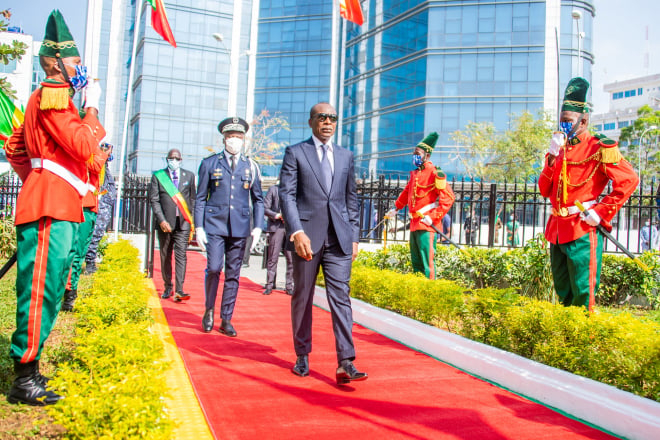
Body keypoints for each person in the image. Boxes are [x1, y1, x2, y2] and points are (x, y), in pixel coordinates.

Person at [4, 10, 107, 405]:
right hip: (49, 204)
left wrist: (37, 174)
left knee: (46, 286)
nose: (82, 70)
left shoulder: (50, 99)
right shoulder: (54, 95)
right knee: (40, 290)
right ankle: (23, 377)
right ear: (56, 63)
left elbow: (15, 148)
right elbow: (85, 147)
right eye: (77, 62)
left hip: (53, 199)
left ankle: (31, 368)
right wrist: (92, 112)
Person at [279, 102, 367, 385]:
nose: (327, 122)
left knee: (341, 297)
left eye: (332, 118)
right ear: (311, 122)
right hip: (307, 239)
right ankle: (302, 354)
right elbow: (287, 195)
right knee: (303, 297)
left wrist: (354, 236)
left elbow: (351, 199)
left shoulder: (345, 156)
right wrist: (296, 231)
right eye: (322, 117)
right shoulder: (295, 153)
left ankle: (345, 362)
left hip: (339, 239)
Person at [538, 77, 638, 311]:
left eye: (567, 121)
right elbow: (544, 190)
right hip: (557, 230)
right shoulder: (558, 147)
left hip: (581, 228)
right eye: (561, 121)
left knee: (584, 294)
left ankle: (583, 340)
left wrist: (600, 212)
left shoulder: (598, 147)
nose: (562, 126)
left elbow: (629, 180)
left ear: (583, 121)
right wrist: (551, 158)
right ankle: (566, 338)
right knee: (563, 293)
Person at [195, 117, 264, 336]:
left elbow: (259, 199)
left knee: (233, 274)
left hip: (240, 227)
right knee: (214, 268)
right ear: (224, 138)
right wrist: (198, 227)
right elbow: (200, 198)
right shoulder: (210, 163)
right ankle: (208, 310)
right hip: (214, 225)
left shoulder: (251, 166)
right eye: (230, 136)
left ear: (244, 139)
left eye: (238, 136)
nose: (234, 139)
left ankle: (226, 318)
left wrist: (258, 227)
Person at [385, 132, 455, 278]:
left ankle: (430, 292)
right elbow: (406, 193)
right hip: (414, 222)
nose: (414, 156)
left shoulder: (435, 172)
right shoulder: (416, 173)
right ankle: (418, 289)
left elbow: (449, 198)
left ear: (427, 156)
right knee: (416, 263)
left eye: (417, 153)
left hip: (426, 223)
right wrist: (396, 208)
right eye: (414, 153)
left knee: (427, 264)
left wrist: (434, 217)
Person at [61, 140, 113, 311]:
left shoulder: (90, 149)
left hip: (89, 204)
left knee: (79, 252)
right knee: (73, 253)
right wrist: (102, 154)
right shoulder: (81, 147)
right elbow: (96, 166)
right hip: (80, 203)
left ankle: (70, 291)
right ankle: (68, 292)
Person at [149, 148, 196, 302]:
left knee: (181, 255)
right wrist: (161, 220)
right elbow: (154, 200)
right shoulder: (158, 176)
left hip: (183, 224)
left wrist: (192, 220)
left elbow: (193, 200)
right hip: (165, 224)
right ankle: (168, 286)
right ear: (167, 159)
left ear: (180, 160)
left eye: (177, 158)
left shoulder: (189, 176)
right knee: (165, 255)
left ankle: (180, 289)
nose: (174, 161)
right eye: (171, 158)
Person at [84, 148, 117, 274]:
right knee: (93, 234)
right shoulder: (97, 164)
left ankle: (90, 262)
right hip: (98, 204)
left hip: (104, 205)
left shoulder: (105, 168)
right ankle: (89, 263)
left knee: (97, 235)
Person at [263, 181, 294, 295]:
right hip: (276, 227)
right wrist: (276, 215)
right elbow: (265, 208)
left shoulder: (294, 190)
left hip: (290, 228)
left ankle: (289, 286)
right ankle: (269, 285)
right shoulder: (273, 189)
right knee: (273, 257)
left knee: (291, 259)